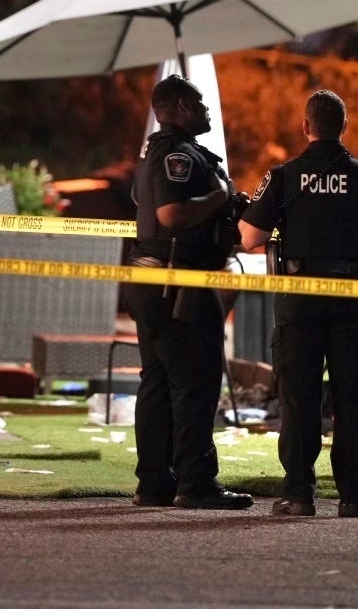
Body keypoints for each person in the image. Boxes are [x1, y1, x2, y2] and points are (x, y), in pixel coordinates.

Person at [238, 89, 358, 519]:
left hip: (299, 301)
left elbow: (250, 237)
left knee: (299, 400)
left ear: (306, 126)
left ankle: (298, 495)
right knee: (353, 398)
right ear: (344, 126)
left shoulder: (283, 176)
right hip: (352, 302)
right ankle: (354, 497)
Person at [124, 74, 253, 510]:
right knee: (195, 383)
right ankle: (195, 483)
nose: (206, 110)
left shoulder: (155, 152)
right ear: (179, 106)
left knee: (158, 382)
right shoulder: (176, 154)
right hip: (180, 284)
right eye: (199, 104)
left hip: (156, 281)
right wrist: (220, 196)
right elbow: (172, 215)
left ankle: (155, 482)